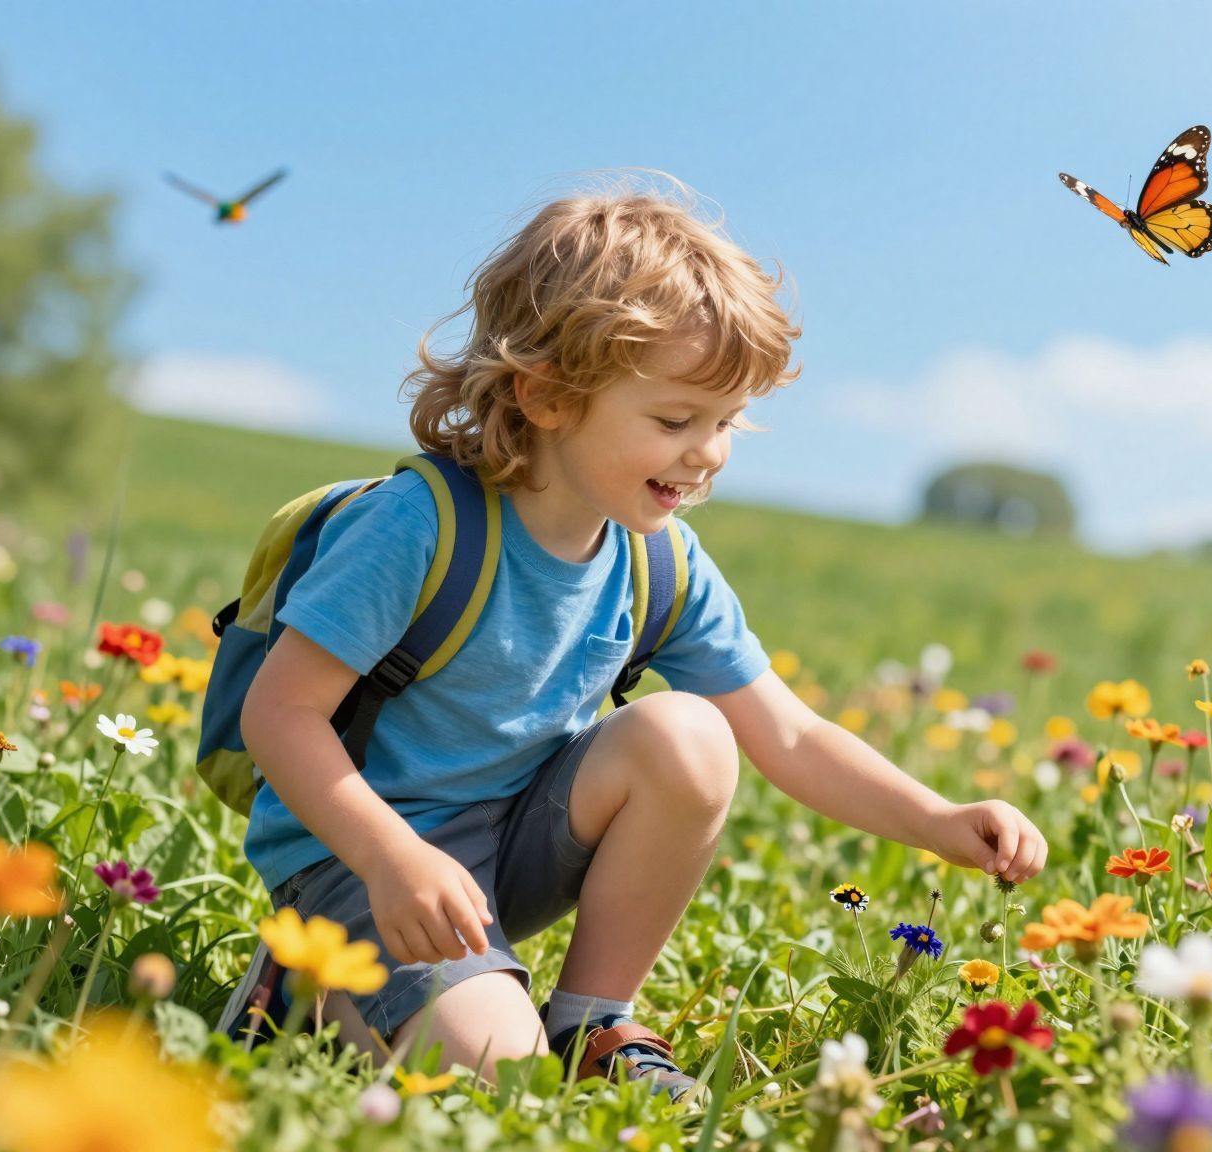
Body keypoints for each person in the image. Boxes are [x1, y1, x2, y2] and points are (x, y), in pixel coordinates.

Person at [225, 175, 1047, 1100]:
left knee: (689, 734)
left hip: (506, 851)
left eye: (727, 421)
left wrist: (935, 821)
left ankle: (591, 1017)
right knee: (507, 1090)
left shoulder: (661, 564)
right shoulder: (419, 526)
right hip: (363, 862)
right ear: (545, 395)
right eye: (674, 420)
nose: (709, 453)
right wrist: (388, 857)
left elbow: (789, 735)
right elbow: (281, 714)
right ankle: (301, 985)